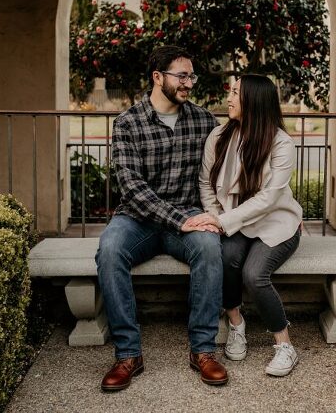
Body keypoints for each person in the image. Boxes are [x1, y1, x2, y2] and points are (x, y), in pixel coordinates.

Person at [95, 45, 228, 392]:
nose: (189, 83)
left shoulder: (204, 121)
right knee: (109, 249)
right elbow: (131, 187)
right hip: (137, 219)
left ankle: (203, 350)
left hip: (187, 214)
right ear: (157, 77)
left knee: (209, 248)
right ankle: (128, 354)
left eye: (191, 76)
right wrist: (178, 220)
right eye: (181, 76)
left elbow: (229, 170)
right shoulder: (128, 123)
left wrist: (279, 208)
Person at [185, 74, 303, 377]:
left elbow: (269, 199)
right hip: (233, 223)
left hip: (276, 224)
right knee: (225, 258)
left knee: (254, 274)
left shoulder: (281, 143)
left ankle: (284, 345)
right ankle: (236, 323)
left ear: (254, 100)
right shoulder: (219, 136)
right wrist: (215, 217)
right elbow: (205, 183)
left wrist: (221, 220)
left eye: (236, 92)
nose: (229, 98)